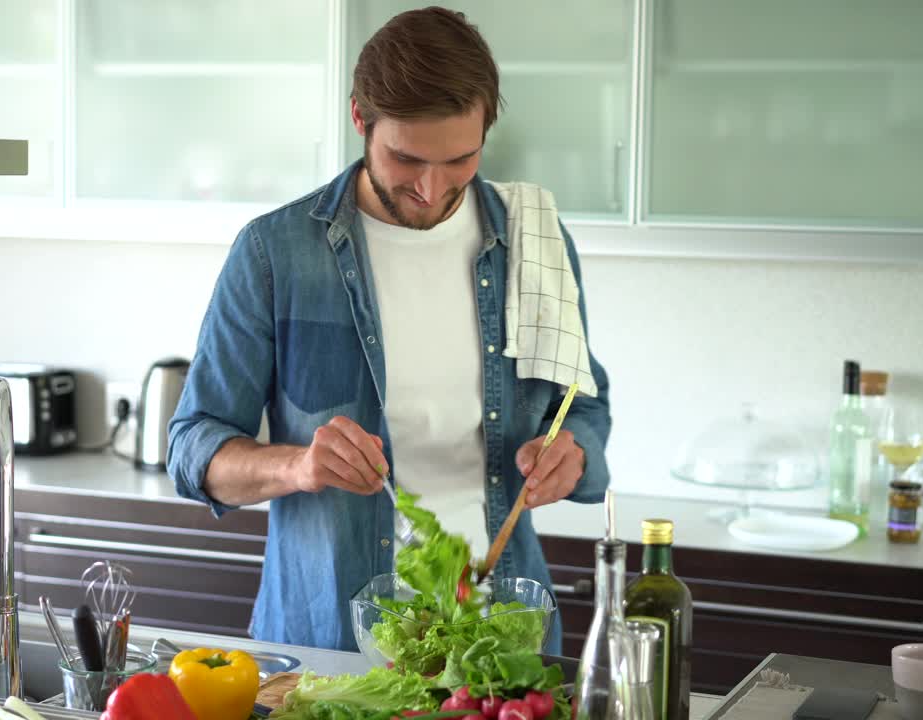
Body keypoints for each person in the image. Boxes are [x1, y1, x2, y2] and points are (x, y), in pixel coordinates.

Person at [167, 6, 610, 654]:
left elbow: (585, 402)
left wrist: (572, 451)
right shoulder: (274, 253)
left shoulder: (534, 240)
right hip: (331, 645)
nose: (432, 190)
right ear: (360, 119)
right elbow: (192, 448)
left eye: (460, 160)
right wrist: (298, 465)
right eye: (406, 160)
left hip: (500, 641)